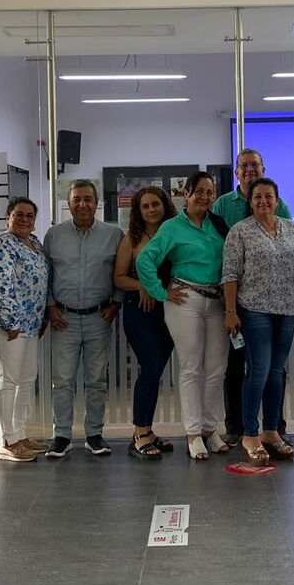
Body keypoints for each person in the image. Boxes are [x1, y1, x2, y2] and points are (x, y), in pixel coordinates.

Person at [137, 174, 232, 460]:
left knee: (216, 368)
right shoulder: (172, 227)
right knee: (191, 367)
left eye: (210, 192)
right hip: (185, 300)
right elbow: (145, 260)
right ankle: (193, 433)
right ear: (186, 194)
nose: (204, 196)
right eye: (199, 191)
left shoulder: (217, 225)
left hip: (217, 301)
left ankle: (210, 428)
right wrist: (161, 292)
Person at [222, 177, 294, 465]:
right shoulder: (240, 232)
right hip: (254, 310)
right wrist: (230, 311)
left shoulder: (291, 229)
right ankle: (250, 433)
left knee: (277, 373)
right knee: (258, 370)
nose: (263, 201)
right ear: (250, 201)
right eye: (258, 197)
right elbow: (230, 274)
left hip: (286, 310)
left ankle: (271, 431)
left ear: (277, 200)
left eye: (269, 196)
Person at [212, 148, 293, 445]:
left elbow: (287, 245)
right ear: (236, 172)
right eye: (243, 166)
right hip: (238, 300)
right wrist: (230, 306)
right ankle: (237, 426)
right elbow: (219, 249)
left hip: (277, 302)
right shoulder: (222, 205)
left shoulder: (280, 205)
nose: (249, 170)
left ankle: (274, 425)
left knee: (274, 368)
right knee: (237, 366)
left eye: (255, 165)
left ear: (263, 168)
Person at [43, 180, 123, 458]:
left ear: (97, 202)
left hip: (99, 317)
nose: (83, 204)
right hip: (63, 318)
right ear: (69, 203)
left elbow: (121, 271)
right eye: (77, 199)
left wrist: (116, 303)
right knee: (62, 380)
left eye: (88, 199)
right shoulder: (54, 235)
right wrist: (50, 306)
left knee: (96, 380)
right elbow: (47, 274)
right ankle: (61, 435)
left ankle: (94, 435)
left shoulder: (114, 234)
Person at [114, 186, 178, 460]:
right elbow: (118, 277)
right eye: (145, 206)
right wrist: (143, 285)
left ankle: (148, 431)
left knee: (156, 371)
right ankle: (140, 432)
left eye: (156, 204)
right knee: (150, 368)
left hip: (171, 310)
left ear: (165, 205)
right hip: (141, 311)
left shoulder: (176, 232)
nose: (151, 210)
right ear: (138, 211)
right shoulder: (132, 238)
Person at [0, 197, 50, 464]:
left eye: (29, 216)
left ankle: (20, 435)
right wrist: (10, 320)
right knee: (7, 380)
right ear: (8, 217)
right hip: (8, 325)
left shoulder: (34, 243)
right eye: (19, 215)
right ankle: (6, 441)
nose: (25, 220)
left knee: (25, 380)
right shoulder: (2, 245)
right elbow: (1, 284)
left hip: (32, 323)